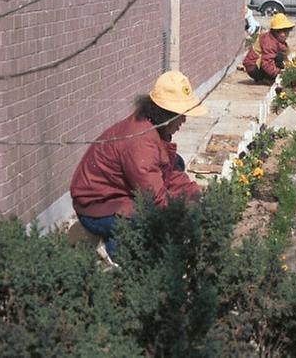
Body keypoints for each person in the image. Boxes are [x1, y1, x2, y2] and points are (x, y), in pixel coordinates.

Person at [70, 71, 207, 261]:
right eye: (182, 115)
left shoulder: (154, 127)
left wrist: (194, 194)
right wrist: (183, 212)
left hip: (113, 191)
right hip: (96, 206)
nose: (184, 121)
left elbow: (170, 173)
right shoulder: (141, 143)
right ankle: (117, 253)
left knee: (177, 162)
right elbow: (155, 200)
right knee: (146, 218)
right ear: (167, 114)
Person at [243, 13, 294, 83]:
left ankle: (267, 77)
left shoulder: (278, 40)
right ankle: (266, 78)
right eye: (283, 31)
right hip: (253, 67)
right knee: (279, 56)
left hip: (261, 65)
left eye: (287, 31)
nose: (285, 34)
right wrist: (279, 74)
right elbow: (266, 63)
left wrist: (291, 67)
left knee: (281, 56)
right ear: (275, 31)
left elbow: (287, 56)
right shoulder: (268, 41)